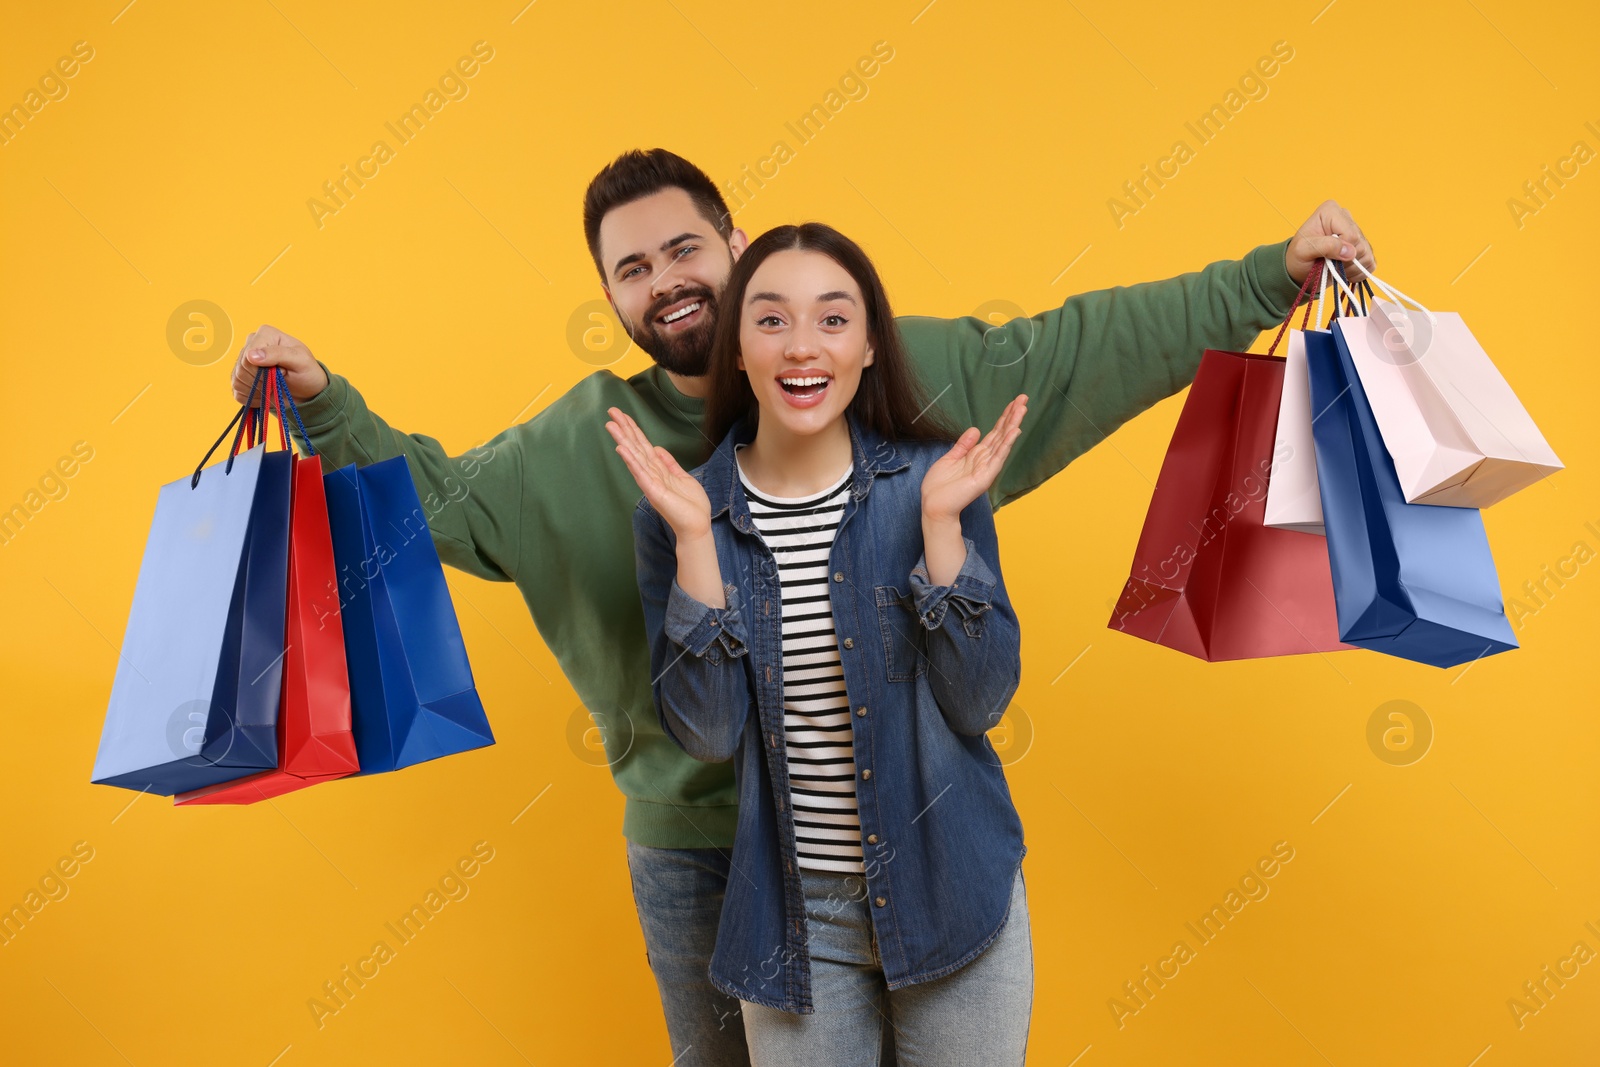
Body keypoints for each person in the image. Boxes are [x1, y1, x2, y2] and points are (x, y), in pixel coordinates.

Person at [230, 147, 1374, 1067]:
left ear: (737, 249)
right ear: (611, 297)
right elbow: (434, 506)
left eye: (685, 246)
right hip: (703, 851)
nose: (666, 278)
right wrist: (326, 405)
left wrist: (1263, 278)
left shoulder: (884, 384)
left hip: (917, 834)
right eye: (632, 268)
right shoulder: (592, 449)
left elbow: (1076, 351)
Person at [609, 221, 1034, 1065]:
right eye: (770, 319)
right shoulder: (682, 517)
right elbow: (707, 732)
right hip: (796, 922)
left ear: (870, 344)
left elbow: (980, 700)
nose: (803, 345)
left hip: (953, 888)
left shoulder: (933, 486)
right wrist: (698, 544)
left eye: (833, 319)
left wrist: (944, 528)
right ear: (736, 349)